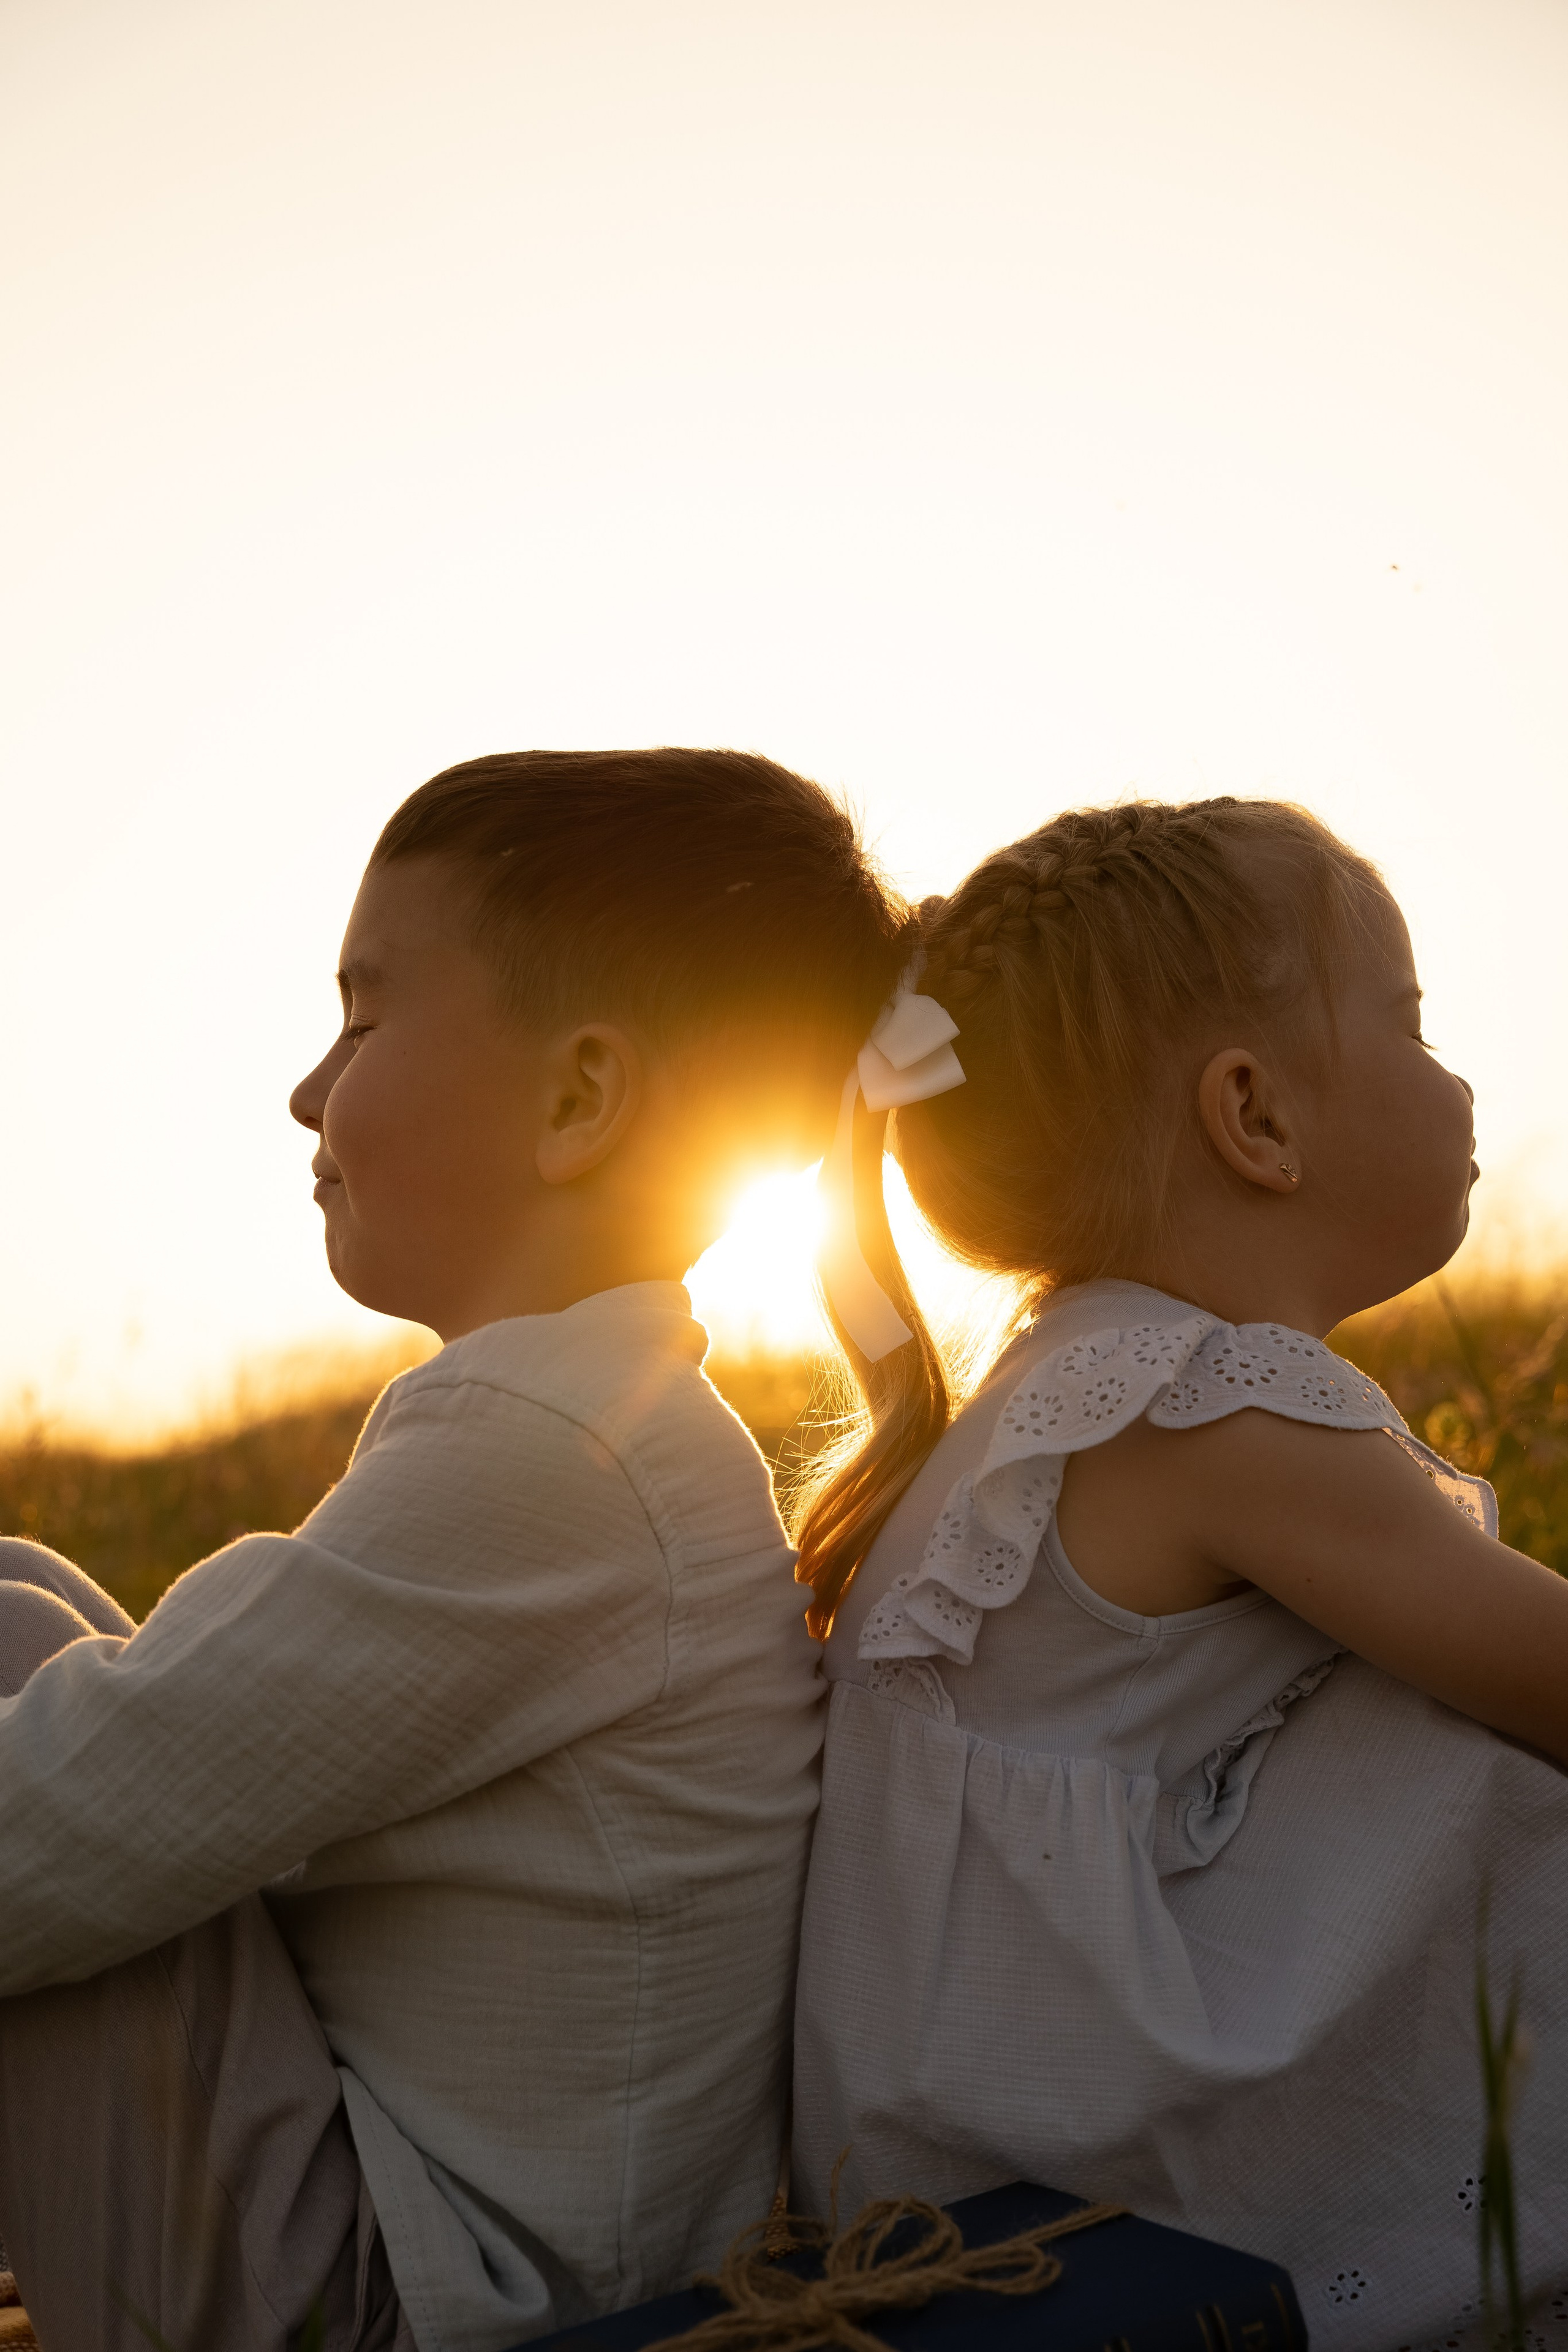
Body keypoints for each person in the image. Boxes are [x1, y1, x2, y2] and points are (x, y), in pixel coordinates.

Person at [0, 748, 914, 2352]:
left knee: (27, 1692)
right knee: (26, 1612)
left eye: (361, 1015)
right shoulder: (597, 1423)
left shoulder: (556, 1453)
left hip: (426, 2321)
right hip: (425, 2244)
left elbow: (65, 1825)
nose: (307, 1088)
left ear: (578, 1099)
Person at [790, 797, 1568, 2352]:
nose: (1453, 1072)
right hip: (1128, 2184)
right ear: (1253, 1118)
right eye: (1409, 1022)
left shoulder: (1064, 1394)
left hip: (984, 2171)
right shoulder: (1200, 1405)